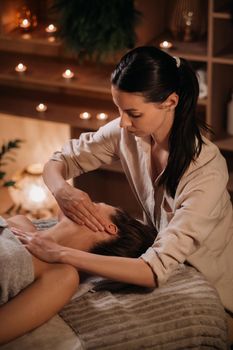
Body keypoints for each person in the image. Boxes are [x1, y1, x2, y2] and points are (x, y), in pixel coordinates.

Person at [19, 47, 233, 316]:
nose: (122, 123)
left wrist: (60, 252)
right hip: (158, 259)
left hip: (210, 287)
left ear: (170, 102)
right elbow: (61, 160)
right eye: (119, 109)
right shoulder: (131, 133)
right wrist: (61, 189)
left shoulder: (206, 170)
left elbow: (155, 269)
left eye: (134, 113)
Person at [0, 203, 156, 344]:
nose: (81, 201)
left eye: (94, 205)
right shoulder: (21, 222)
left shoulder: (62, 276)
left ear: (110, 229)